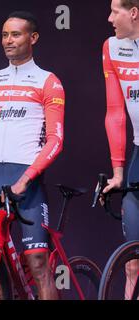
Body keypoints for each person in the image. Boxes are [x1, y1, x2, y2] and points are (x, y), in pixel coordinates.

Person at [0, 11, 65, 300]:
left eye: (16, 34)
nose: (8, 40)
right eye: (5, 35)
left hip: (28, 185)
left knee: (38, 264)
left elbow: (56, 140)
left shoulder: (48, 81)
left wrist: (27, 178)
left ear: (33, 38)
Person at [102, 0, 139, 299]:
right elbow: (115, 112)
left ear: (134, 13)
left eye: (115, 11)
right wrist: (117, 172)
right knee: (132, 264)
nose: (110, 17)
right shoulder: (112, 47)